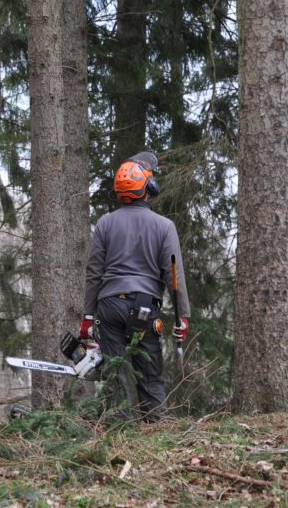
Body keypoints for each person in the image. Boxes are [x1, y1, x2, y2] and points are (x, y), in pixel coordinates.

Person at [80, 151, 190, 422]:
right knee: (150, 376)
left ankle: (119, 434)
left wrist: (87, 316)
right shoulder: (164, 226)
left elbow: (94, 272)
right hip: (144, 308)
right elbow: (174, 276)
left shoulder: (105, 223)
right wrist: (182, 317)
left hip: (109, 306)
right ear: (148, 187)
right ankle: (156, 430)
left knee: (115, 375)